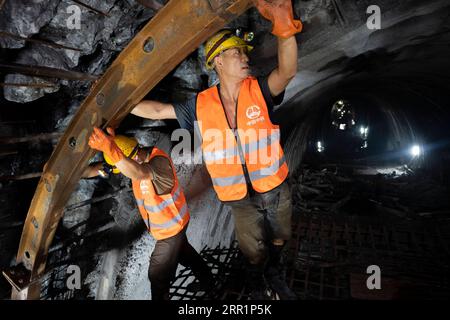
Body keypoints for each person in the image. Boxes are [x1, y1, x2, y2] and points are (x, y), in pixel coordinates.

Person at [130, 0, 302, 299]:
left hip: (273, 187)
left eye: (244, 52)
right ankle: (256, 279)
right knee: (252, 248)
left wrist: (284, 28)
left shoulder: (259, 90)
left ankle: (274, 272)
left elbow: (286, 72)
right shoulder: (200, 105)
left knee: (280, 237)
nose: (244, 57)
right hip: (238, 198)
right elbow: (157, 111)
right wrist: (118, 103)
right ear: (218, 61)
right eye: (236, 52)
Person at [84, 127, 213, 300]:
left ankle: (204, 284)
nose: (121, 172)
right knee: (186, 253)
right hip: (174, 225)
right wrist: (70, 174)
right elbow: (97, 169)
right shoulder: (133, 157)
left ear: (134, 157)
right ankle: (209, 283)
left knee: (157, 275)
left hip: (171, 229)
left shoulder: (158, 163)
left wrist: (112, 150)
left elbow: (138, 172)